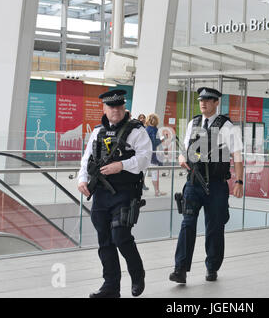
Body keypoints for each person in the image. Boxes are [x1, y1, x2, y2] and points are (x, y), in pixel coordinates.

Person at [77, 89, 152, 297]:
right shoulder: (98, 131)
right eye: (111, 107)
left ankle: (137, 276)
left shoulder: (137, 130)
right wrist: (82, 179)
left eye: (119, 106)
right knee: (105, 240)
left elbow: (146, 158)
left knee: (120, 236)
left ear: (124, 107)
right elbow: (86, 159)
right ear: (104, 108)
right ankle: (111, 287)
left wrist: (122, 165)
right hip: (101, 193)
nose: (116, 110)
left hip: (126, 192)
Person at [169, 87, 244, 284]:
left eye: (208, 100)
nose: (203, 103)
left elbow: (237, 155)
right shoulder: (193, 123)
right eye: (201, 100)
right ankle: (180, 269)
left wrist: (239, 181)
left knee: (214, 228)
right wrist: (181, 157)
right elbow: (185, 149)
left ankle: (212, 267)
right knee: (187, 224)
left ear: (216, 102)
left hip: (216, 186)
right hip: (194, 182)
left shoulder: (227, 126)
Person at [145, 113, 167, 196]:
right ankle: (157, 191)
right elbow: (155, 142)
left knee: (144, 173)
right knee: (155, 173)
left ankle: (157, 191)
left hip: (147, 154)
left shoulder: (146, 129)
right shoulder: (154, 130)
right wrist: (163, 138)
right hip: (153, 154)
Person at [137, 114, 149, 191]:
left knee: (143, 170)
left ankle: (142, 183)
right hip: (139, 151)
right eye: (140, 118)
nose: (142, 119)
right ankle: (139, 184)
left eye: (143, 118)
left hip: (145, 151)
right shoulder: (137, 128)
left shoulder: (146, 128)